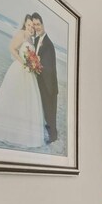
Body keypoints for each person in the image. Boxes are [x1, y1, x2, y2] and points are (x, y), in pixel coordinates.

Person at [0, 14, 45, 147]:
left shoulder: (32, 39)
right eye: (28, 25)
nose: (30, 27)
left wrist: (34, 63)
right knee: (15, 96)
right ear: (25, 24)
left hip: (28, 72)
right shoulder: (21, 34)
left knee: (26, 99)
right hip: (19, 68)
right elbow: (12, 48)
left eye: (32, 26)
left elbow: (31, 55)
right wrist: (23, 62)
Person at [32, 12, 59, 143]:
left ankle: (53, 136)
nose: (36, 27)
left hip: (49, 84)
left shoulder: (48, 44)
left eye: (38, 24)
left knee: (50, 111)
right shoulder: (36, 40)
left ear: (42, 24)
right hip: (39, 80)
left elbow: (48, 67)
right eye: (34, 24)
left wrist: (36, 65)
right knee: (41, 108)